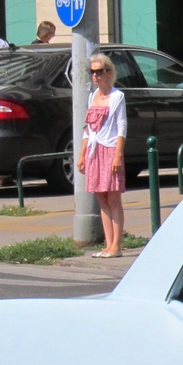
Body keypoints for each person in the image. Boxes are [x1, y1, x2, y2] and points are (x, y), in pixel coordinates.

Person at [80, 54, 127, 257]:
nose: (95, 76)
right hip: (94, 150)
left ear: (109, 72)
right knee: (101, 198)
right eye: (92, 72)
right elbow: (88, 129)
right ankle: (108, 245)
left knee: (113, 198)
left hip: (110, 149)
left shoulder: (118, 97)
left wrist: (118, 155)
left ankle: (116, 245)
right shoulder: (93, 96)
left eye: (99, 72)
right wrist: (82, 154)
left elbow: (121, 126)